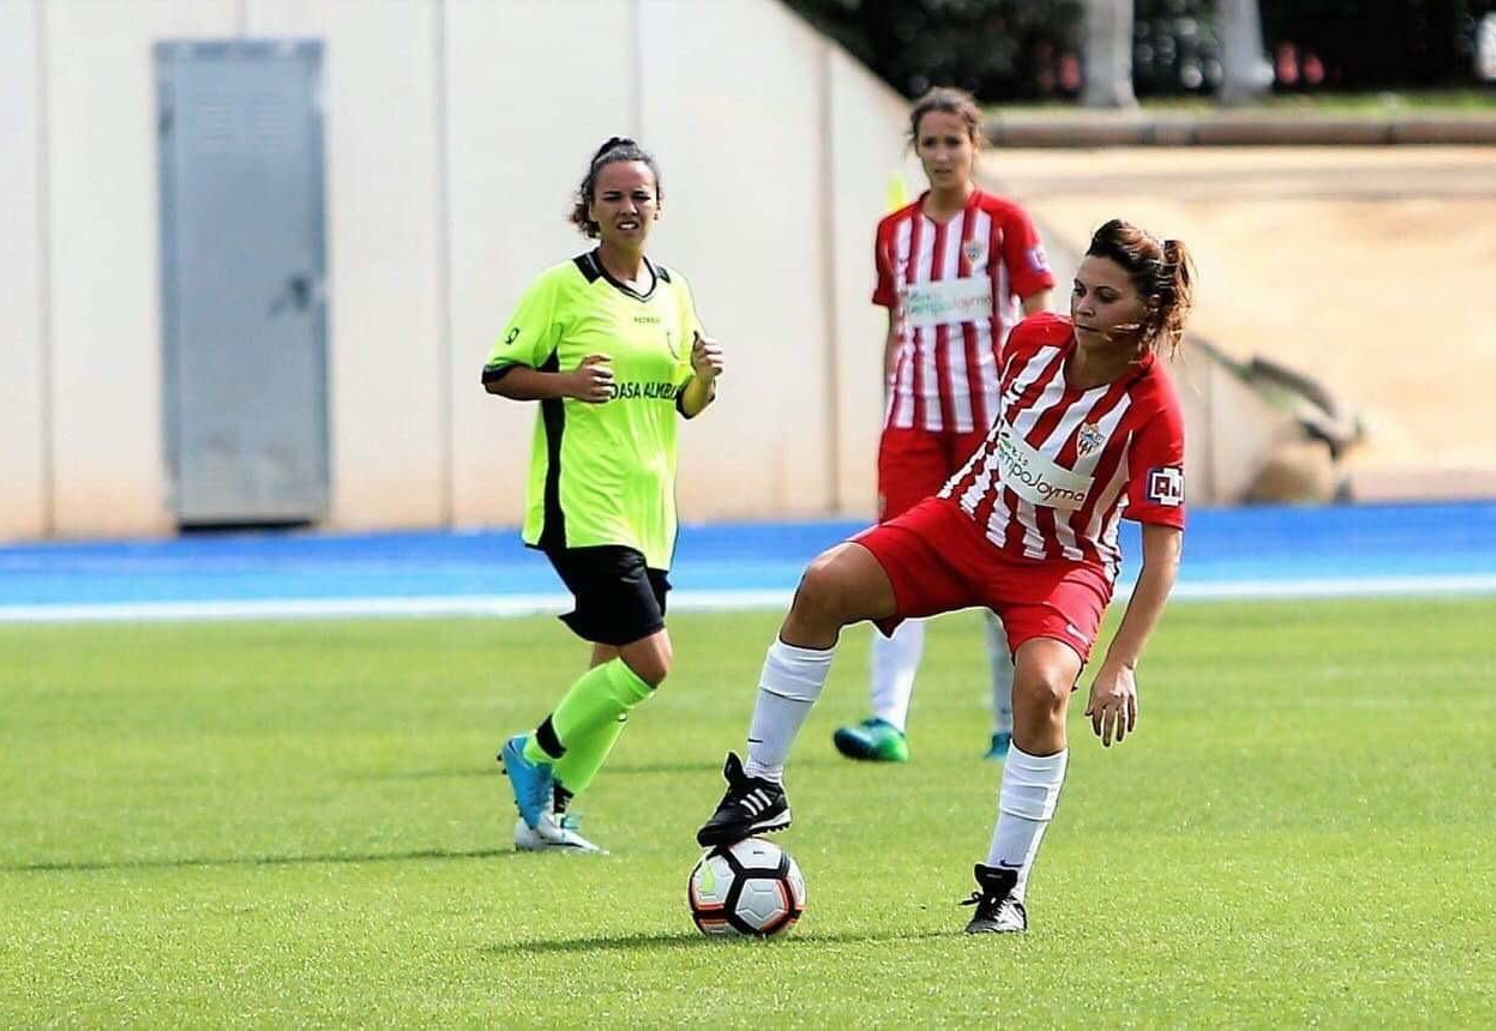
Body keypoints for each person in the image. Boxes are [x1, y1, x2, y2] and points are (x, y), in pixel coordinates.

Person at [697, 219, 1193, 934]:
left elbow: (1164, 553)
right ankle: (760, 783)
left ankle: (1005, 887)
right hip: (962, 524)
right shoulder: (1030, 343)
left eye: (1105, 296)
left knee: (1044, 688)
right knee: (821, 585)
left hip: (1060, 565)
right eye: (1080, 288)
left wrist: (1120, 664)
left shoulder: (1154, 410)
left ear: (1144, 314)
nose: (1082, 306)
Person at [483, 136, 723, 854]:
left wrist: (706, 377)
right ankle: (533, 749)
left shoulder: (674, 290)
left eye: (639, 196)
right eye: (611, 196)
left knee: (614, 664)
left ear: (659, 206)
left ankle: (547, 815)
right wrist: (567, 384)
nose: (627, 207)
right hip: (583, 503)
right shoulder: (563, 286)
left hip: (651, 508)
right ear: (588, 207)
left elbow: (685, 402)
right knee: (651, 661)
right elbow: (499, 372)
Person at [834, 87, 1055, 766]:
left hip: (992, 422)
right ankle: (885, 721)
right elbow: (896, 326)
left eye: (952, 141)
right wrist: (888, 398)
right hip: (914, 423)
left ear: (974, 145)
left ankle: (1005, 723)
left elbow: (1041, 320)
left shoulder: (1005, 224)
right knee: (891, 565)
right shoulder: (894, 233)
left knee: (1002, 570)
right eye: (928, 143)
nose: (940, 155)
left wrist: (1037, 408)